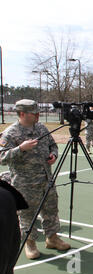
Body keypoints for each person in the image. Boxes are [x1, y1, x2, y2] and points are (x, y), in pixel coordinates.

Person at [0, 99, 70, 260]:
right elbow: (2, 157)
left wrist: (53, 155)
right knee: (27, 214)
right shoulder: (11, 133)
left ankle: (52, 238)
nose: (38, 115)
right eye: (35, 113)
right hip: (25, 183)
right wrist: (20, 148)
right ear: (22, 114)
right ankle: (29, 242)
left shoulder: (41, 128)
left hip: (46, 178)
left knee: (51, 209)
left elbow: (53, 145)